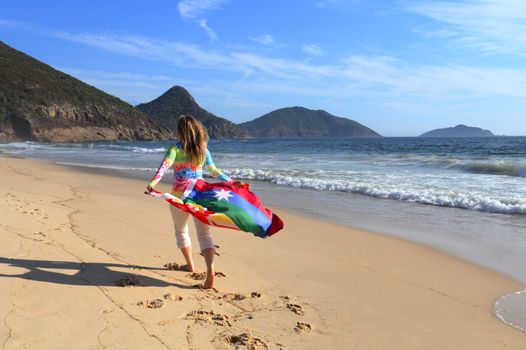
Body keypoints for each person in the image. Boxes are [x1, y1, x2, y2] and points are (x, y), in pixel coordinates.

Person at [147, 115, 242, 289]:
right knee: (205, 235)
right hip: (199, 195)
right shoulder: (203, 150)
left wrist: (152, 184)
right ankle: (210, 271)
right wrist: (230, 181)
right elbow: (213, 171)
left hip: (179, 197)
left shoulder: (175, 148)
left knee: (181, 232)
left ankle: (190, 265)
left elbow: (163, 168)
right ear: (197, 129)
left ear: (180, 131)